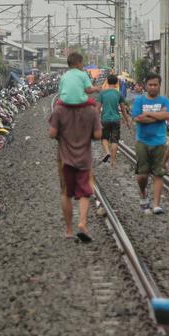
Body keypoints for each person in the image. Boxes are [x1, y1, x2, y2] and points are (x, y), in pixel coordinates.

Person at [49, 95, 102, 242]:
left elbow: (52, 133)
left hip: (65, 159)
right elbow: (98, 135)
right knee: (85, 191)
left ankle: (68, 230)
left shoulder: (59, 109)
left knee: (66, 193)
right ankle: (82, 223)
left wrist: (63, 135)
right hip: (84, 159)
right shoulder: (91, 110)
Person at [131, 74, 169, 215]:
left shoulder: (165, 100)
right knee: (142, 175)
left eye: (155, 85)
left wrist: (148, 114)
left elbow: (167, 116)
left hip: (160, 141)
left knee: (158, 173)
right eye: (150, 84)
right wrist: (158, 116)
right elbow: (138, 118)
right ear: (145, 85)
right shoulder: (139, 100)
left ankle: (156, 204)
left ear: (159, 86)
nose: (153, 87)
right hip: (142, 141)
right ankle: (143, 193)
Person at [98, 74, 128, 165]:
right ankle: (113, 161)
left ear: (107, 81)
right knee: (115, 140)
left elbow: (98, 108)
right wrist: (127, 120)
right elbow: (123, 109)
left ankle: (107, 152)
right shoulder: (119, 94)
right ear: (116, 83)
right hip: (116, 119)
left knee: (104, 138)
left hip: (105, 119)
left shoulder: (102, 93)